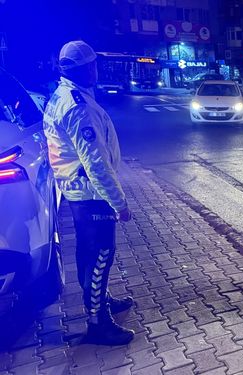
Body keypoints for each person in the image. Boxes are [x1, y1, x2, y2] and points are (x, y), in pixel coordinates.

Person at [42, 41, 134, 345]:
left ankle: (101, 301)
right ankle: (98, 322)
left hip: (78, 191)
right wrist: (118, 203)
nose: (96, 69)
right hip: (91, 193)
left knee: (89, 254)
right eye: (92, 65)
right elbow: (96, 163)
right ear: (83, 68)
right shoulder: (77, 107)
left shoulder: (64, 95)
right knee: (100, 255)